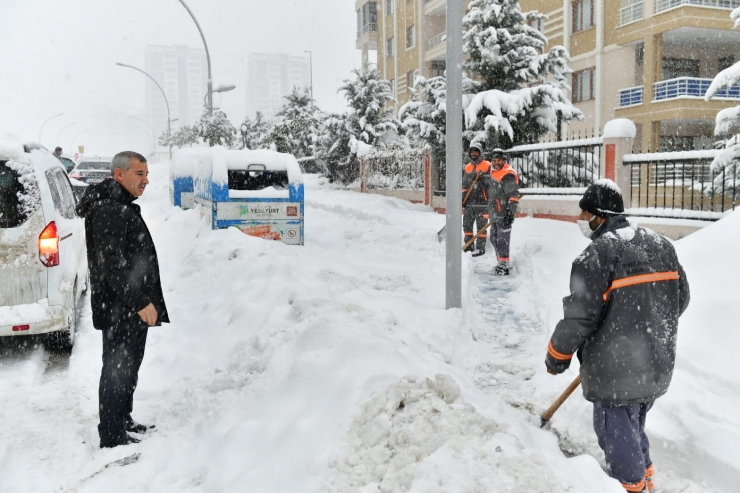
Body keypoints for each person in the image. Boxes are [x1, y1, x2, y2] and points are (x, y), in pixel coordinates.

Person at [545, 179, 690, 493]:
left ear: (600, 215)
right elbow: (681, 297)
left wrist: (557, 355)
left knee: (616, 433)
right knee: (632, 424)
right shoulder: (661, 245)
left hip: (616, 371)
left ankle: (631, 486)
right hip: (656, 363)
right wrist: (644, 325)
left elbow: (580, 316)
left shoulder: (596, 255)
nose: (581, 221)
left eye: (585, 214)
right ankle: (646, 478)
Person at [76, 151, 170, 449]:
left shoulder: (118, 205)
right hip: (121, 307)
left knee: (127, 367)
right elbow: (112, 264)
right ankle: (113, 435)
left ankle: (123, 419)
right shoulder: (108, 209)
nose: (146, 181)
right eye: (139, 174)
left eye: (146, 174)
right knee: (117, 369)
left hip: (125, 306)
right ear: (119, 174)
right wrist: (140, 302)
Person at [486, 148, 520, 275]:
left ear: (504, 160)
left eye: (498, 160)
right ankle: (500, 262)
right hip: (495, 213)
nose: (496, 163)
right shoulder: (493, 172)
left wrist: (510, 211)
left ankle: (504, 265)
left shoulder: (507, 174)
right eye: (494, 160)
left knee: (503, 240)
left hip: (504, 213)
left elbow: (513, 194)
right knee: (494, 238)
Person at [462, 142, 491, 256]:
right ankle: (468, 246)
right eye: (472, 152)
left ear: (480, 152)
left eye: (476, 151)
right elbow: (464, 184)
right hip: (469, 203)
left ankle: (480, 248)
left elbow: (492, 181)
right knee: (467, 226)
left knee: (481, 227)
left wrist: (482, 179)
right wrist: (463, 197)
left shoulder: (487, 165)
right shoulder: (467, 167)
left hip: (483, 202)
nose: (473, 154)